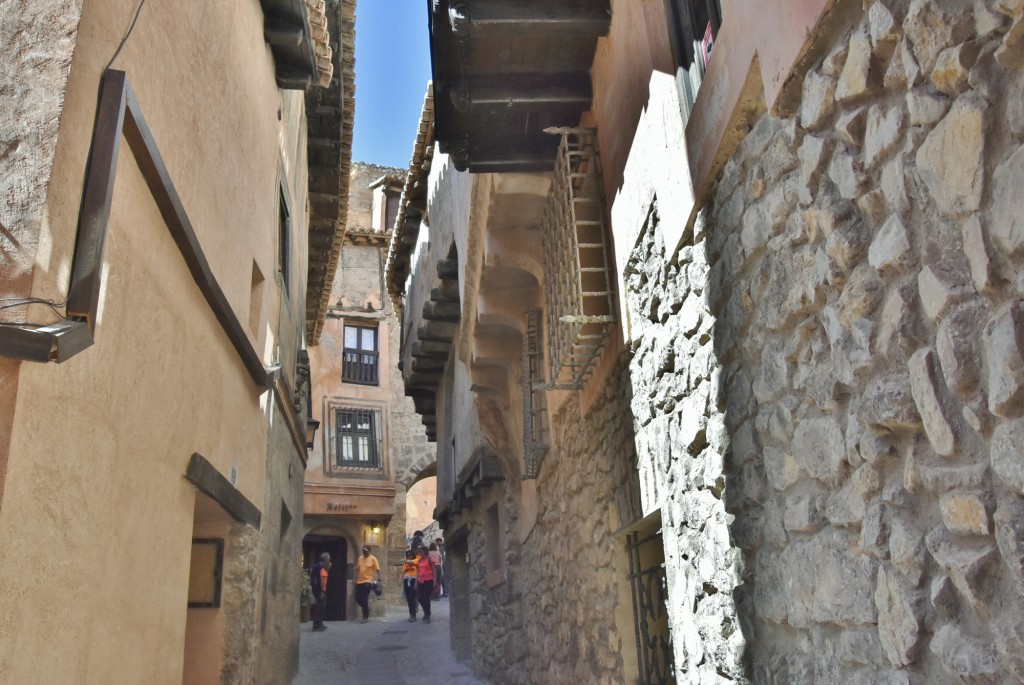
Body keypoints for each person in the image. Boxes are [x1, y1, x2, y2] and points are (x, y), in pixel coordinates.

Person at [354, 545, 381, 623]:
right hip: (359, 581)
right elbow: (357, 569)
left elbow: (377, 569)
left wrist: (379, 578)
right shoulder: (360, 558)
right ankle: (366, 607)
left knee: (364, 598)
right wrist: (355, 578)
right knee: (357, 597)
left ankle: (365, 617)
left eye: (365, 551)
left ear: (369, 551)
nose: (364, 552)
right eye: (363, 551)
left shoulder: (373, 559)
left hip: (368, 581)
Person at [415, 544, 437, 623]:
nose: (420, 552)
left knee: (426, 597)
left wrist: (435, 580)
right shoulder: (419, 560)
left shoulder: (430, 559)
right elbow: (418, 571)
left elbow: (434, 570)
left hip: (429, 579)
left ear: (425, 552)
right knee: (420, 598)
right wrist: (416, 582)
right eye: (419, 551)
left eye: (421, 551)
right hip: (421, 580)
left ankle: (427, 614)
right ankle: (426, 611)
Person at [310, 552, 331, 632]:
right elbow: (322, 579)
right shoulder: (322, 568)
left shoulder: (316, 566)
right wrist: (323, 591)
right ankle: (317, 625)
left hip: (315, 588)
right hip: (320, 590)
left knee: (320, 606)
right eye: (329, 560)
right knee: (321, 607)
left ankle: (320, 624)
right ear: (326, 560)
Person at [402, 549, 420, 622]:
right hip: (406, 580)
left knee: (413, 597)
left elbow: (418, 572)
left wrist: (416, 582)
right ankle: (411, 613)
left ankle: (414, 613)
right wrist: (400, 580)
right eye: (407, 555)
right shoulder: (406, 564)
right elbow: (403, 572)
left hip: (413, 580)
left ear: (413, 555)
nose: (408, 556)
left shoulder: (416, 561)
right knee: (409, 598)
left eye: (410, 555)